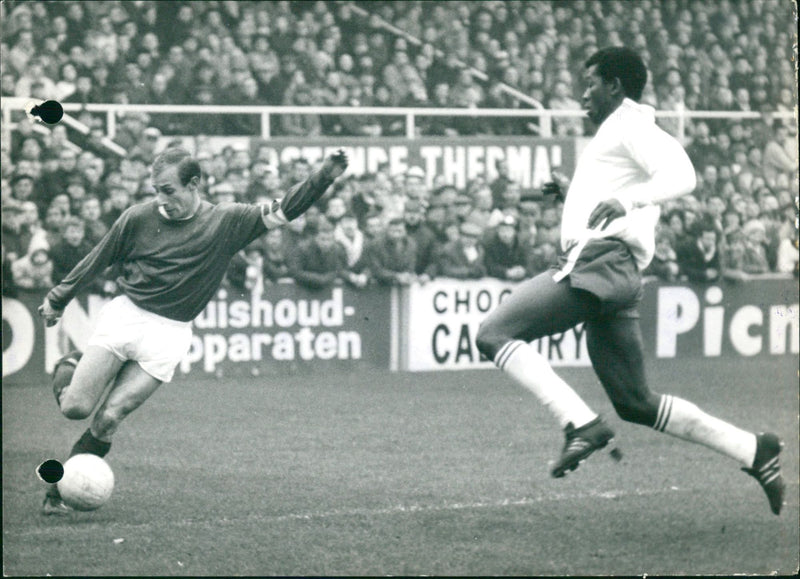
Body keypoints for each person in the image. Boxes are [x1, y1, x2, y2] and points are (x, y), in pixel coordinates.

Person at [475, 47, 784, 516]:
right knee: (636, 403)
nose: (582, 94)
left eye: (590, 84)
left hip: (599, 261)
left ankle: (579, 423)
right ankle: (753, 450)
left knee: (492, 333)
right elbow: (615, 193)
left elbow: (683, 175)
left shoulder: (631, 126)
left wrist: (629, 201)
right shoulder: (618, 132)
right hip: (618, 272)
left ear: (615, 86)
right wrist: (573, 192)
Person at [37, 147, 349, 515]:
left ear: (194, 184)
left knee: (109, 419)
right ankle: (71, 365)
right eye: (156, 189)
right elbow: (100, 256)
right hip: (127, 317)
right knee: (76, 408)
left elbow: (285, 209)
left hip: (170, 334)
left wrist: (324, 176)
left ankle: (57, 494)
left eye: (168, 190)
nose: (160, 199)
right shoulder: (137, 218)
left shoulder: (227, 221)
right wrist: (59, 297)